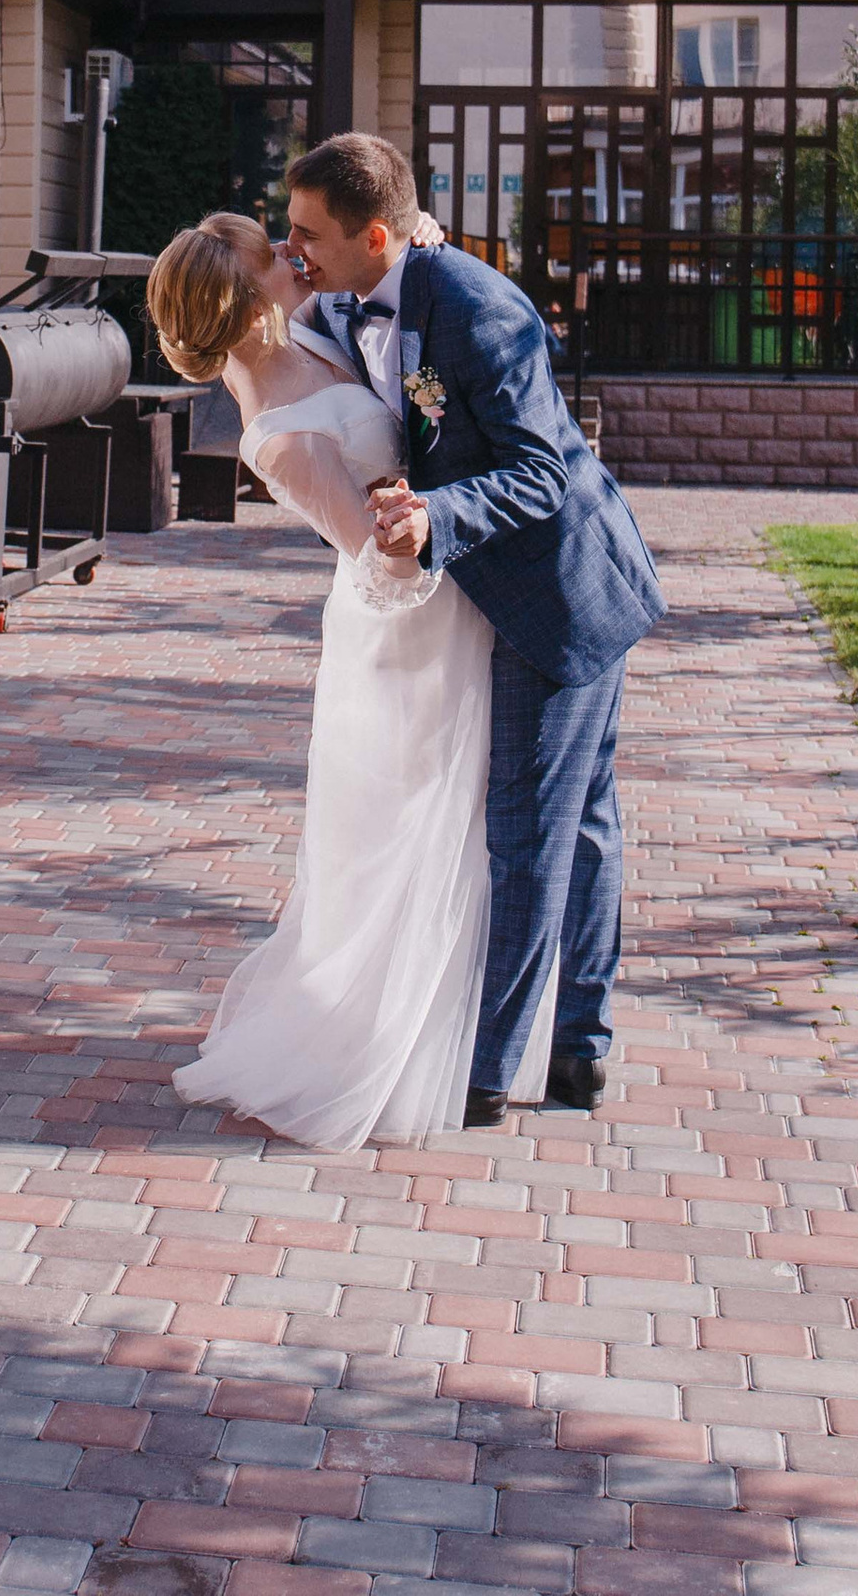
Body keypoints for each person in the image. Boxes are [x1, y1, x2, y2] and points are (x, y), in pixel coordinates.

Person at [285, 134, 662, 1130]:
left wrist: (436, 519)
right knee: (578, 827)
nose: (296, 253)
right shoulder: (353, 293)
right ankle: (579, 1050)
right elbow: (326, 317)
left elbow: (540, 472)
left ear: (374, 234)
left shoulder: (480, 309)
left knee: (531, 829)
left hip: (560, 592)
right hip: (506, 593)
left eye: (308, 235)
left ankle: (487, 1074)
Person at [148, 210, 542, 1149]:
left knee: (466, 816)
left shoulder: (313, 328)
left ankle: (475, 1024)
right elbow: (376, 558)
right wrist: (434, 521)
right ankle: (396, 1039)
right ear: (250, 309)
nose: (294, 256)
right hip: (408, 631)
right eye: (271, 257)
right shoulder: (277, 436)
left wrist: (417, 254)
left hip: (445, 592)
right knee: (417, 828)